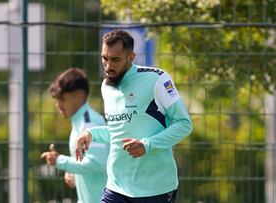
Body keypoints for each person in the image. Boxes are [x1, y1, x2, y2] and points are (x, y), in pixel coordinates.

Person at [75, 29, 193, 203]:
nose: (108, 66)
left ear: (131, 57)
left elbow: (184, 124)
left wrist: (147, 145)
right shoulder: (106, 86)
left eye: (115, 60)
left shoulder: (157, 79)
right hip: (116, 187)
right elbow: (120, 130)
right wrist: (91, 134)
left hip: (155, 188)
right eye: (104, 58)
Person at [41, 68, 109, 203]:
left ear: (79, 96)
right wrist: (75, 173)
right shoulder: (80, 122)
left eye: (62, 99)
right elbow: (90, 165)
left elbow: (96, 163)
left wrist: (60, 161)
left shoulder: (89, 123)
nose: (58, 105)